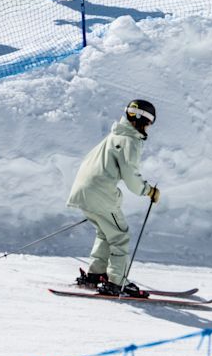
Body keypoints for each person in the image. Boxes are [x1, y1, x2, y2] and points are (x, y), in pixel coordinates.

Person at [68, 100, 160, 298]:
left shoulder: (115, 134)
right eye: (149, 123)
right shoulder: (131, 140)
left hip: (83, 191)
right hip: (100, 193)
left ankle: (95, 274)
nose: (148, 128)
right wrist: (149, 191)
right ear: (142, 120)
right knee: (120, 236)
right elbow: (131, 177)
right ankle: (116, 282)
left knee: (105, 232)